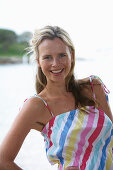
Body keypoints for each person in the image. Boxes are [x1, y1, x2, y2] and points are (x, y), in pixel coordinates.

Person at [0, 25, 113, 170]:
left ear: (71, 55)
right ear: (38, 62)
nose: (55, 63)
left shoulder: (93, 87)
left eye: (62, 55)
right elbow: (3, 160)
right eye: (47, 57)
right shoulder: (36, 105)